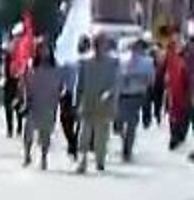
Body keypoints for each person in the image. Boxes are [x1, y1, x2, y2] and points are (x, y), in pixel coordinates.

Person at [75, 33, 121, 174]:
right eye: (97, 43)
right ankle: (82, 160)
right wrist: (76, 101)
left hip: (104, 104)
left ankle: (100, 160)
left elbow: (116, 82)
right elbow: (79, 83)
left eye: (102, 43)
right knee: (84, 134)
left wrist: (110, 94)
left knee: (102, 134)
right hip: (88, 101)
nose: (99, 46)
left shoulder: (113, 62)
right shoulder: (85, 61)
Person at [22, 39, 63, 170]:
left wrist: (56, 102)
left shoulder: (56, 67)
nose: (43, 51)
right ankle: (27, 155)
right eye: (40, 48)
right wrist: (24, 98)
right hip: (33, 103)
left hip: (48, 104)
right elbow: (24, 83)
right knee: (28, 131)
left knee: (45, 134)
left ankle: (44, 157)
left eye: (45, 48)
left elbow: (59, 86)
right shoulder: (31, 65)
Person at [117, 37, 156, 162]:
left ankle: (127, 149)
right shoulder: (121, 60)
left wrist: (139, 78)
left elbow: (151, 80)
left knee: (132, 123)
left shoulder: (147, 62)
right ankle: (125, 141)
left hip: (136, 95)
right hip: (122, 95)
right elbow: (115, 76)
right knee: (120, 123)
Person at [60, 36, 87, 159]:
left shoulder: (91, 65)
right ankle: (72, 142)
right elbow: (61, 80)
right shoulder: (69, 64)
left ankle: (76, 144)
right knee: (66, 122)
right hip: (69, 95)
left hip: (84, 95)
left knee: (81, 123)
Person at [2, 24, 29, 138]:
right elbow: (5, 65)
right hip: (10, 79)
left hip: (17, 79)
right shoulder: (9, 49)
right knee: (9, 105)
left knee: (16, 105)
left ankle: (17, 127)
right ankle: (12, 128)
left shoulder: (22, 48)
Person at [165, 34, 190, 150]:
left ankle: (178, 135)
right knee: (175, 115)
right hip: (174, 92)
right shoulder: (172, 58)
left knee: (180, 115)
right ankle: (175, 136)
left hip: (183, 92)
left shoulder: (184, 60)